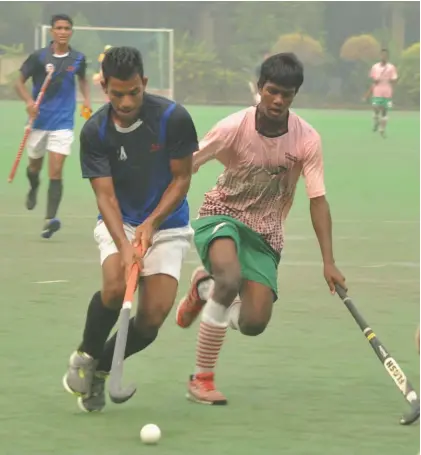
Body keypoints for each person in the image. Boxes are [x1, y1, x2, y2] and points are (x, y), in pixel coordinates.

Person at [176, 53, 347, 405]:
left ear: (295, 95)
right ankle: (201, 379)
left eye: (286, 94)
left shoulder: (306, 140)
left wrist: (328, 261)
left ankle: (203, 288)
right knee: (230, 277)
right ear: (259, 88)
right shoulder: (232, 127)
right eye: (272, 91)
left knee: (253, 323)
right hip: (221, 214)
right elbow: (186, 167)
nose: (278, 100)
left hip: (267, 232)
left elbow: (318, 200)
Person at [62, 46, 198, 412]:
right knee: (115, 285)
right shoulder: (95, 131)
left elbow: (182, 178)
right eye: (116, 93)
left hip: (167, 222)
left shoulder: (173, 118)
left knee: (152, 317)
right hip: (120, 218)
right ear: (104, 86)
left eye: (133, 92)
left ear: (145, 84)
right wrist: (124, 243)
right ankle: (88, 353)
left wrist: (152, 223)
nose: (125, 102)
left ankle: (102, 369)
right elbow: (104, 196)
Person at [15, 14, 91, 238]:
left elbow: (83, 79)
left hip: (63, 123)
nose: (63, 32)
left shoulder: (78, 58)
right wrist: (29, 102)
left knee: (56, 170)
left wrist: (86, 99)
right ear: (52, 32)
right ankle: (33, 187)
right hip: (38, 121)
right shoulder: (39, 57)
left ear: (71, 32)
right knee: (34, 168)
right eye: (58, 28)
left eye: (67, 28)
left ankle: (50, 220)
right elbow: (18, 81)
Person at [369, 49, 398, 138]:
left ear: (387, 56)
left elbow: (394, 78)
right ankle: (376, 121)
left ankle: (382, 129)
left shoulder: (391, 67)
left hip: (387, 91)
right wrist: (375, 80)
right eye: (382, 55)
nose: (383, 57)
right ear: (380, 56)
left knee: (385, 110)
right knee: (375, 107)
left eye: (385, 55)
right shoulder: (375, 67)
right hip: (377, 90)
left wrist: (391, 80)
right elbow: (372, 77)